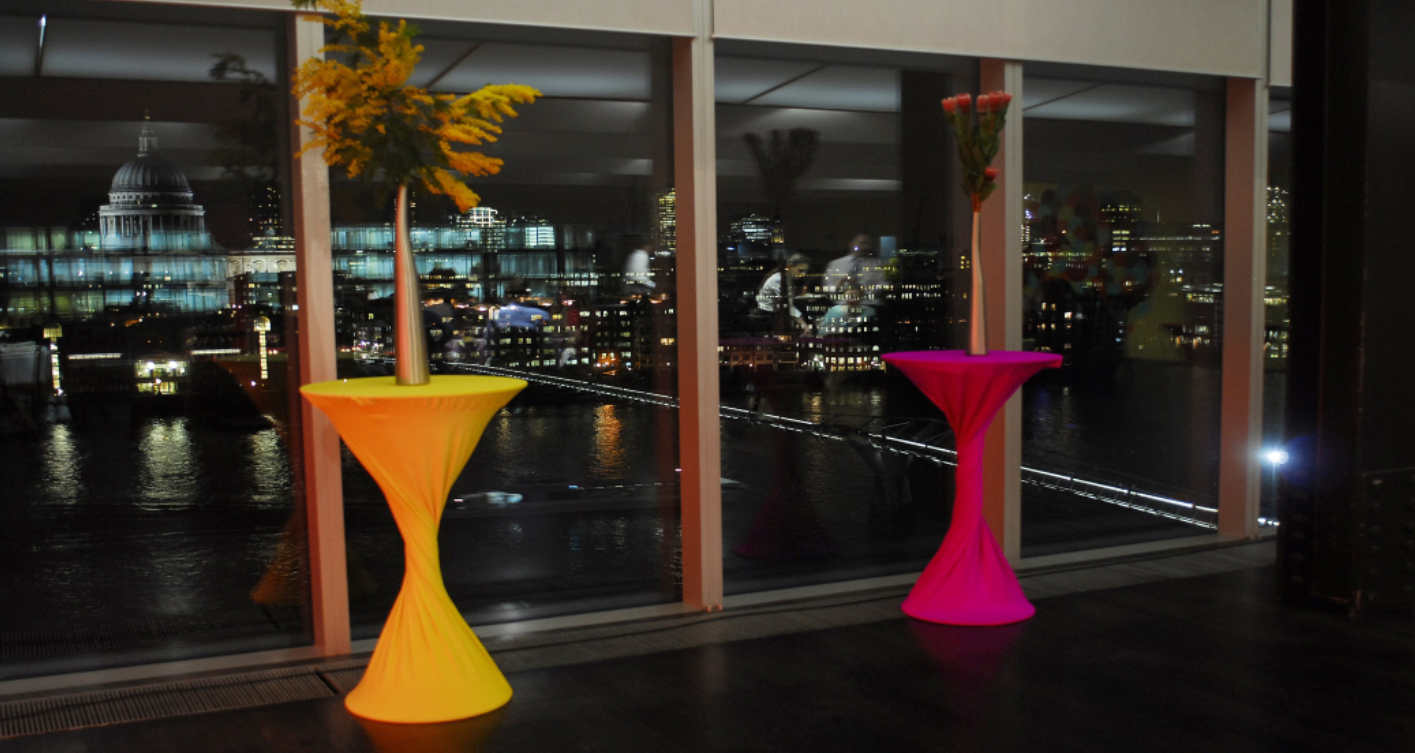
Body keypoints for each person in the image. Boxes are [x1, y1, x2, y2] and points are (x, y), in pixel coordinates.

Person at [755, 253, 811, 334]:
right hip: (767, 317)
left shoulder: (786, 278)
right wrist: (804, 325)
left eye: (805, 271)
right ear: (789, 267)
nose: (803, 274)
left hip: (776, 314)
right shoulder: (778, 280)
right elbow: (787, 304)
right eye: (800, 270)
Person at [823, 234, 885, 305]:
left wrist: (859, 287)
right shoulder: (835, 264)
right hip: (841, 305)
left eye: (868, 244)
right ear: (851, 244)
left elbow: (882, 287)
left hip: (869, 304)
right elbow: (826, 287)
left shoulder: (878, 265)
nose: (866, 247)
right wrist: (837, 287)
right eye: (863, 243)